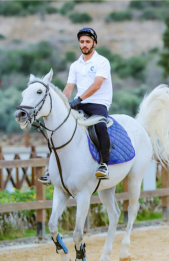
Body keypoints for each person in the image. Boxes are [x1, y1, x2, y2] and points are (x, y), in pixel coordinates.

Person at [38, 27, 113, 183]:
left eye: (88, 41)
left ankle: (104, 164)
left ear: (94, 43)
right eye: (82, 42)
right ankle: (51, 170)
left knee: (100, 126)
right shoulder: (75, 65)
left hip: (98, 103)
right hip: (80, 103)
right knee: (57, 128)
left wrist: (78, 99)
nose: (84, 44)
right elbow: (69, 87)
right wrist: (63, 103)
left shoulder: (102, 62)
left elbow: (97, 85)